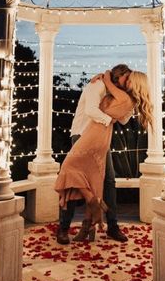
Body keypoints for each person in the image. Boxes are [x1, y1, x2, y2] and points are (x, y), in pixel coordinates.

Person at [55, 66, 153, 244]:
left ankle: (111, 226)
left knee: (108, 180)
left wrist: (132, 101)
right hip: (81, 134)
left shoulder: (118, 93)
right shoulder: (98, 84)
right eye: (127, 79)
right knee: (75, 178)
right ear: (120, 76)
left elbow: (123, 119)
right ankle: (63, 228)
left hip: (101, 138)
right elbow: (91, 110)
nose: (128, 83)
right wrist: (109, 119)